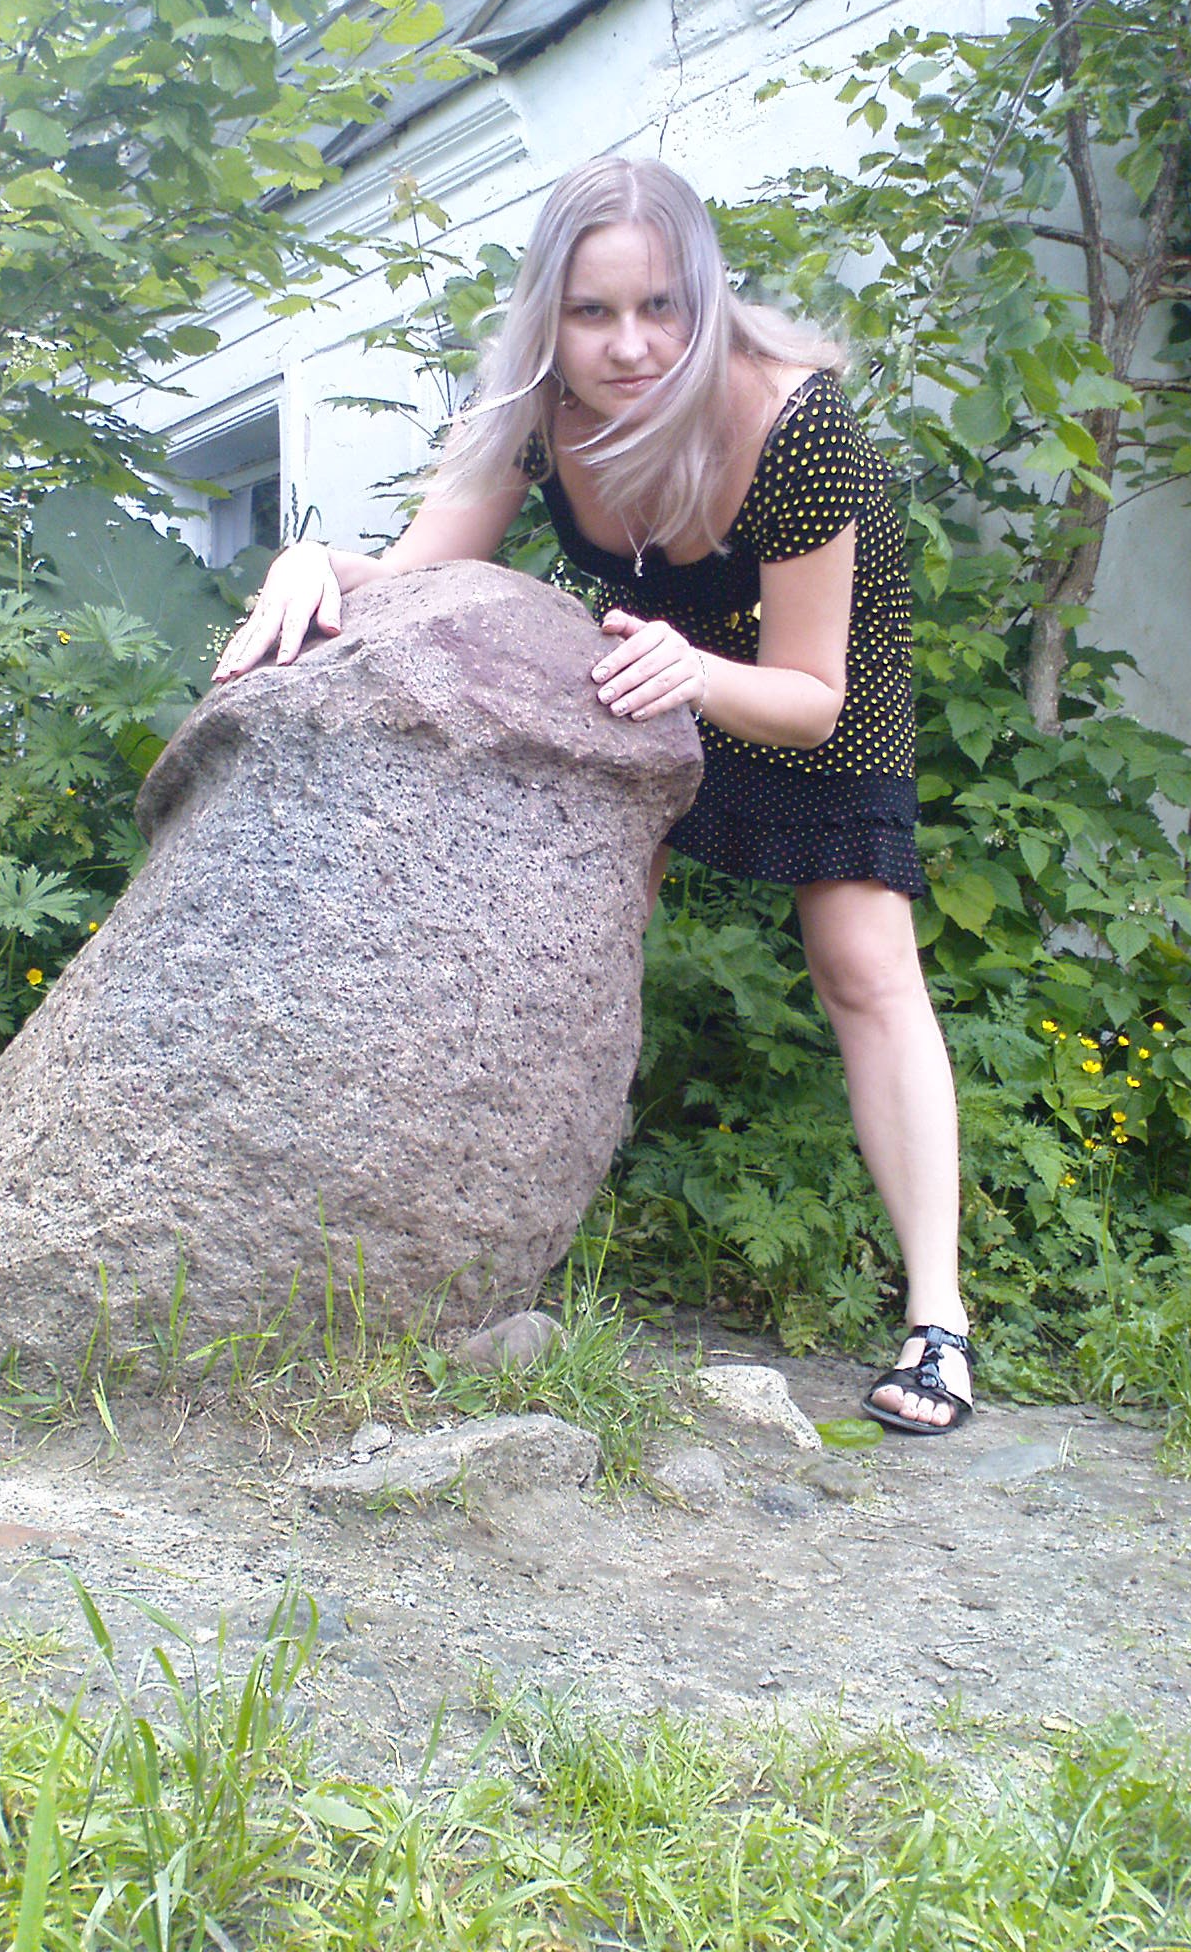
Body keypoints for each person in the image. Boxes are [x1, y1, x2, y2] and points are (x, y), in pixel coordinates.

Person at [214, 156, 973, 1435]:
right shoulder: (533, 408)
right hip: (638, 657)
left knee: (861, 960)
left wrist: (705, 674)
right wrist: (312, 562)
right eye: (592, 312)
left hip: (803, 673)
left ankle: (939, 1318)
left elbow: (810, 693)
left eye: (660, 306)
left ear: (704, 300)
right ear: (548, 317)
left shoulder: (801, 431)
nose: (629, 345)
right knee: (585, 925)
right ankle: (484, 1245)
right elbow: (419, 571)